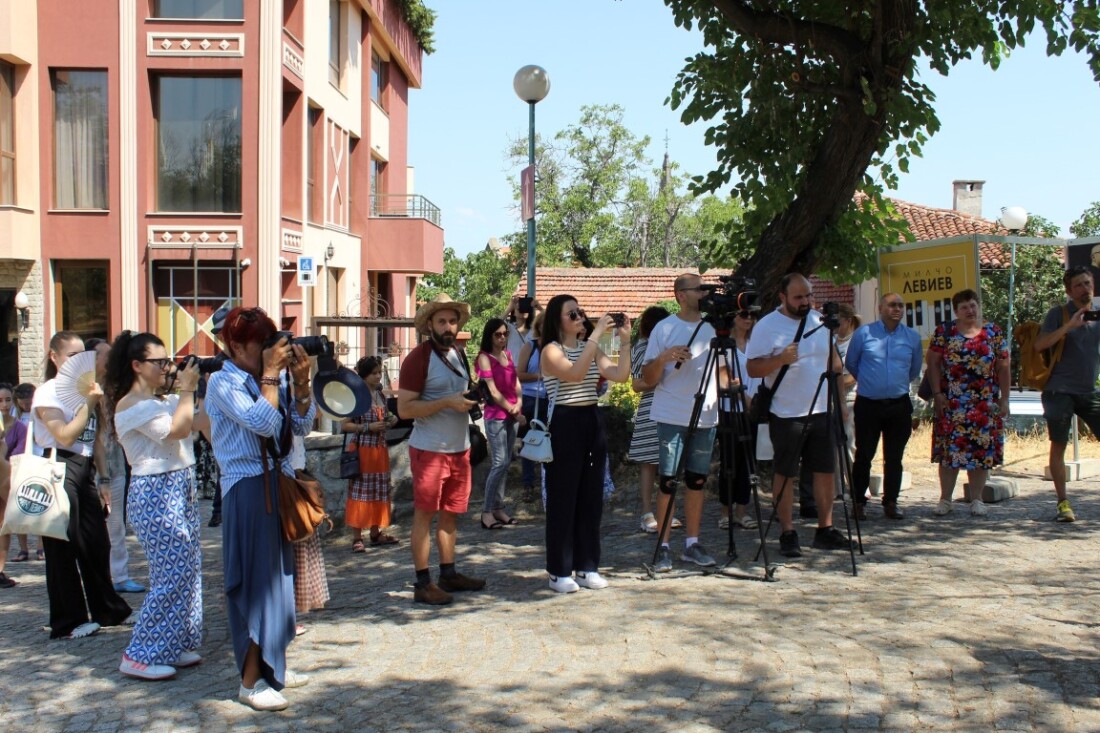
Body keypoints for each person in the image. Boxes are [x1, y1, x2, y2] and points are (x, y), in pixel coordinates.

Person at [204, 307, 315, 711]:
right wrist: (272, 376)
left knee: (279, 584)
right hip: (248, 490)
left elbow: (299, 428)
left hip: (276, 485)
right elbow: (264, 424)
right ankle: (250, 683)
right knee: (256, 586)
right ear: (235, 345)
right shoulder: (222, 382)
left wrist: (301, 386)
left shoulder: (272, 377)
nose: (271, 351)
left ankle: (274, 666)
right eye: (261, 343)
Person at [105, 332, 203, 681]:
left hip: (181, 488)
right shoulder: (130, 405)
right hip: (155, 494)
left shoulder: (165, 400)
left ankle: (172, 643)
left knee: (189, 571)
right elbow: (177, 431)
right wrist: (188, 391)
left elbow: (199, 423)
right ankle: (139, 654)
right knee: (170, 575)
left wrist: (197, 389)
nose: (167, 367)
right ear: (136, 365)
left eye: (167, 360)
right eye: (159, 362)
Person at [33, 331, 132, 638]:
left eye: (81, 356)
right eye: (70, 356)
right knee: (62, 546)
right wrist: (88, 402)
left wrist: (102, 477)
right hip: (57, 465)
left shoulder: (84, 388)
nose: (78, 361)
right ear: (54, 357)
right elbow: (65, 435)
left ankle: (107, 609)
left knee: (96, 542)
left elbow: (96, 439)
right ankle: (68, 620)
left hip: (84, 467)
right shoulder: (48, 392)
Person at [746, 273, 851, 558]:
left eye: (808, 295)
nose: (805, 302)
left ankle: (825, 529)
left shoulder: (819, 321)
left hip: (820, 410)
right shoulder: (768, 326)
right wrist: (779, 359)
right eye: (798, 297)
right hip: (786, 413)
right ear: (782, 297)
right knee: (785, 473)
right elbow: (753, 369)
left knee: (825, 471)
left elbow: (834, 363)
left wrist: (840, 402)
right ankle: (787, 532)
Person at [397, 293, 487, 606]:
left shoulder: (459, 355)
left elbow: (457, 393)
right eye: (441, 321)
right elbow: (404, 409)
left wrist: (469, 397)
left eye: (452, 320)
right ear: (430, 325)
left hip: (458, 449)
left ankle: (448, 573)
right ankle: (422, 583)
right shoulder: (418, 358)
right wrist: (448, 402)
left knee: (451, 515)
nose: (448, 326)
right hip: (429, 449)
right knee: (424, 517)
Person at [539, 294, 631, 592]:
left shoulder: (587, 347)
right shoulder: (551, 351)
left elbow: (619, 374)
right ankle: (559, 570)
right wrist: (595, 335)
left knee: (591, 499)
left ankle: (587, 566)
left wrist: (626, 341)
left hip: (591, 419)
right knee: (563, 498)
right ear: (558, 320)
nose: (579, 317)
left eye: (580, 312)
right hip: (565, 422)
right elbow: (575, 374)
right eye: (572, 314)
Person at [642, 274, 724, 572]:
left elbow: (724, 373)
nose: (704, 292)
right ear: (680, 295)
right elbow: (648, 379)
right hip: (672, 415)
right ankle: (663, 546)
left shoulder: (715, 327)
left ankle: (692, 543)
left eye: (705, 288)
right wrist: (663, 357)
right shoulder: (664, 328)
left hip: (706, 416)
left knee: (697, 482)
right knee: (668, 482)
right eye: (698, 288)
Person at [926, 289, 1010, 517]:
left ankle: (977, 499)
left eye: (973, 305)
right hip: (952, 402)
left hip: (985, 402)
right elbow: (932, 362)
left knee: (981, 452)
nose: (970, 310)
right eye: (964, 307)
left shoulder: (993, 332)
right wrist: (937, 393)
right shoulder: (945, 332)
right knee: (950, 453)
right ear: (956, 311)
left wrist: (1005, 398)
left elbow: (1003, 366)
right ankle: (945, 499)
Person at [843, 294, 922, 521]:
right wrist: (872, 382)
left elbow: (913, 370)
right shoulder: (864, 334)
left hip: (898, 404)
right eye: (892, 305)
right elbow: (852, 363)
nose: (896, 309)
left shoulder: (911, 338)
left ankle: (891, 502)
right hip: (868, 403)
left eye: (900, 305)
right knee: (864, 455)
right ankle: (858, 502)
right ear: (880, 308)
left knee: (894, 456)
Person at [1033, 265, 1100, 522]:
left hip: (1089, 391)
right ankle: (1063, 502)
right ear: (1069, 291)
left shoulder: (1097, 315)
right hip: (1058, 390)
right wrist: (1069, 326)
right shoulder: (1057, 314)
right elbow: (1039, 345)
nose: (1085, 288)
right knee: (1059, 444)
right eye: (1079, 285)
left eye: (1088, 283)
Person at [86, 337, 145, 595]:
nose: (109, 361)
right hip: (85, 467)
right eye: (104, 356)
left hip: (115, 466)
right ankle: (94, 577)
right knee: (90, 527)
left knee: (116, 524)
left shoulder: (114, 388)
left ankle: (119, 575)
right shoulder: (81, 389)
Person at [341, 356, 398, 551]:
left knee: (379, 490)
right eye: (374, 373)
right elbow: (345, 425)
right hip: (363, 450)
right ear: (364, 375)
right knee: (361, 491)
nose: (378, 376)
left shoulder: (381, 396)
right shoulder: (357, 396)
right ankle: (357, 537)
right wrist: (368, 427)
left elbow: (389, 415)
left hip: (380, 450)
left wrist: (392, 420)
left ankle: (375, 532)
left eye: (379, 372)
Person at [477, 318, 526, 530]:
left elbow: (516, 382)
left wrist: (520, 404)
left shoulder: (508, 355)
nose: (502, 338)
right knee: (499, 462)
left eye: (505, 334)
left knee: (506, 464)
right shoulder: (484, 358)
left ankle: (498, 507)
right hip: (496, 415)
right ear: (489, 336)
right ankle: (486, 511)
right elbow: (492, 391)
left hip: (512, 415)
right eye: (498, 334)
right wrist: (511, 408)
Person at [628, 306, 671, 533]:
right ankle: (646, 512)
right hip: (651, 410)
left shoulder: (666, 348)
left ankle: (666, 510)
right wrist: (660, 381)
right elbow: (636, 385)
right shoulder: (642, 347)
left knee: (668, 463)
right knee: (649, 463)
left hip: (670, 407)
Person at [717, 309, 761, 531]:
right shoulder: (724, 343)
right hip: (730, 408)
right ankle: (726, 511)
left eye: (752, 316)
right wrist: (745, 397)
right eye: (744, 315)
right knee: (729, 462)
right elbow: (724, 376)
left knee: (748, 461)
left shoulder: (759, 342)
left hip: (753, 409)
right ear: (734, 317)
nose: (748, 320)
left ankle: (742, 510)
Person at [516, 312, 547, 502]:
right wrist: (542, 376)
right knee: (530, 441)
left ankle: (547, 484)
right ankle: (528, 485)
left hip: (550, 398)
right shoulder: (531, 346)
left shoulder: (559, 347)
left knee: (550, 441)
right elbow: (519, 374)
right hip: (530, 397)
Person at [10, 382, 41, 561]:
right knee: (18, 506)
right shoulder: (14, 413)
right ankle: (23, 549)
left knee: (39, 505)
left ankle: (40, 546)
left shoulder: (41, 411)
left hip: (38, 459)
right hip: (18, 462)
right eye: (22, 403)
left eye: (28, 403)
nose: (25, 406)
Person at [0, 383, 28, 575]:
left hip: (8, 478)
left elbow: (18, 457)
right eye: (0, 400)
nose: (4, 404)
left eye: (8, 400)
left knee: (4, 523)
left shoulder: (19, 427)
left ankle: (0, 569)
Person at [503, 295, 542, 363]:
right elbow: (494, 325)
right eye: (519, 309)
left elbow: (551, 324)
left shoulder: (535, 330)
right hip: (513, 369)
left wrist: (539, 307)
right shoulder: (509, 328)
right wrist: (509, 308)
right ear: (514, 312)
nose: (522, 310)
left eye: (525, 308)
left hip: (531, 370)